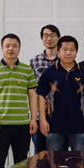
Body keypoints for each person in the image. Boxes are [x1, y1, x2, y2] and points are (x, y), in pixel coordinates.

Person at [0, 34, 38, 168]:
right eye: (7, 46)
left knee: (21, 163)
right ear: (2, 48)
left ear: (19, 49)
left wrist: (33, 119)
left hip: (22, 124)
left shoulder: (27, 70)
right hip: (0, 125)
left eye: (14, 46)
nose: (11, 49)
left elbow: (32, 96)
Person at [37, 36, 84, 151]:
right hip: (54, 127)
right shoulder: (49, 72)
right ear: (58, 52)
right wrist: (43, 120)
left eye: (72, 50)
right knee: (54, 161)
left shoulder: (83, 72)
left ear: (76, 52)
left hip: (79, 127)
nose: (68, 53)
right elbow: (41, 96)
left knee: (80, 160)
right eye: (65, 49)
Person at [29, 24, 60, 154]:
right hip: (38, 115)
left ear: (58, 38)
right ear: (42, 38)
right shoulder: (34, 61)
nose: (49, 38)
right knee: (39, 154)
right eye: (46, 36)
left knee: (57, 154)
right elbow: (31, 90)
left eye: (52, 35)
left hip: (59, 115)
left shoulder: (65, 60)